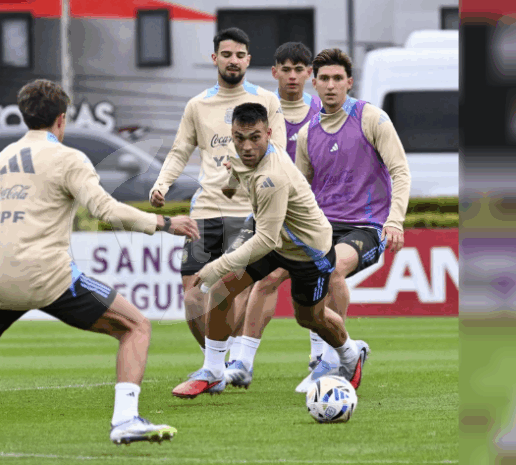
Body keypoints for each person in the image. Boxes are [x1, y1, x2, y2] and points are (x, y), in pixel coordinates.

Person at [0, 79, 200, 455]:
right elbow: (105, 210)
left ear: (24, 115)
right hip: (49, 276)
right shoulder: (68, 158)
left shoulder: (4, 158)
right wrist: (165, 224)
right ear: (61, 119)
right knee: (136, 326)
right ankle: (125, 420)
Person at [170, 102, 368, 399]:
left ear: (269, 134)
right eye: (239, 138)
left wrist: (217, 265)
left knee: (310, 318)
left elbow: (265, 241)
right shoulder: (252, 155)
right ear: (232, 135)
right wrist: (231, 178)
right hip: (273, 234)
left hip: (307, 250)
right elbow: (243, 176)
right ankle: (213, 371)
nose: (246, 146)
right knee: (223, 288)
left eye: (254, 138)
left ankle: (351, 354)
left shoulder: (271, 178)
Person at [149, 28, 287, 376]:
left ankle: (223, 363)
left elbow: (281, 153)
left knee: (232, 291)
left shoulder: (267, 102)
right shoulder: (198, 105)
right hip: (205, 211)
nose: (233, 60)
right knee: (193, 297)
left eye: (240, 55)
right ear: (215, 59)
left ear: (248, 60)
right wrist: (162, 183)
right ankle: (218, 363)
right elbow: (180, 150)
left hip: (249, 213)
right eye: (226, 54)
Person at [292, 48, 411, 393]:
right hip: (323, 229)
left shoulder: (371, 117)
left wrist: (396, 221)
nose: (330, 85)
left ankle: (334, 359)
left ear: (349, 82)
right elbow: (301, 192)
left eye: (337, 79)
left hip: (367, 227)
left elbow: (399, 170)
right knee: (302, 304)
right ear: (313, 83)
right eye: (324, 79)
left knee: (331, 270)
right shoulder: (307, 134)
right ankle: (346, 348)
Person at [221, 42, 324, 389]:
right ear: (274, 72)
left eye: (300, 69)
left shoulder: (324, 112)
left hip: (311, 213)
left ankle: (320, 357)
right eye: (286, 68)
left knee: (324, 282)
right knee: (253, 280)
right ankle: (239, 360)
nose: (293, 76)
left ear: (309, 74)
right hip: (270, 211)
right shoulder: (263, 113)